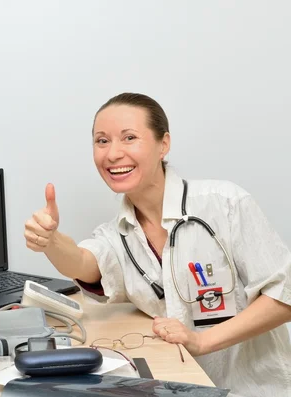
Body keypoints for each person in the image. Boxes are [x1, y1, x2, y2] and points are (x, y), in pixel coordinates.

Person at [24, 92, 291, 396]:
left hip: (254, 388)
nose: (113, 154)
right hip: (181, 384)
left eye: (129, 138)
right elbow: (86, 263)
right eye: (102, 141)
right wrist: (51, 241)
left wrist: (202, 341)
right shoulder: (118, 233)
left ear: (163, 144)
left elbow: (283, 296)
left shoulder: (225, 204)